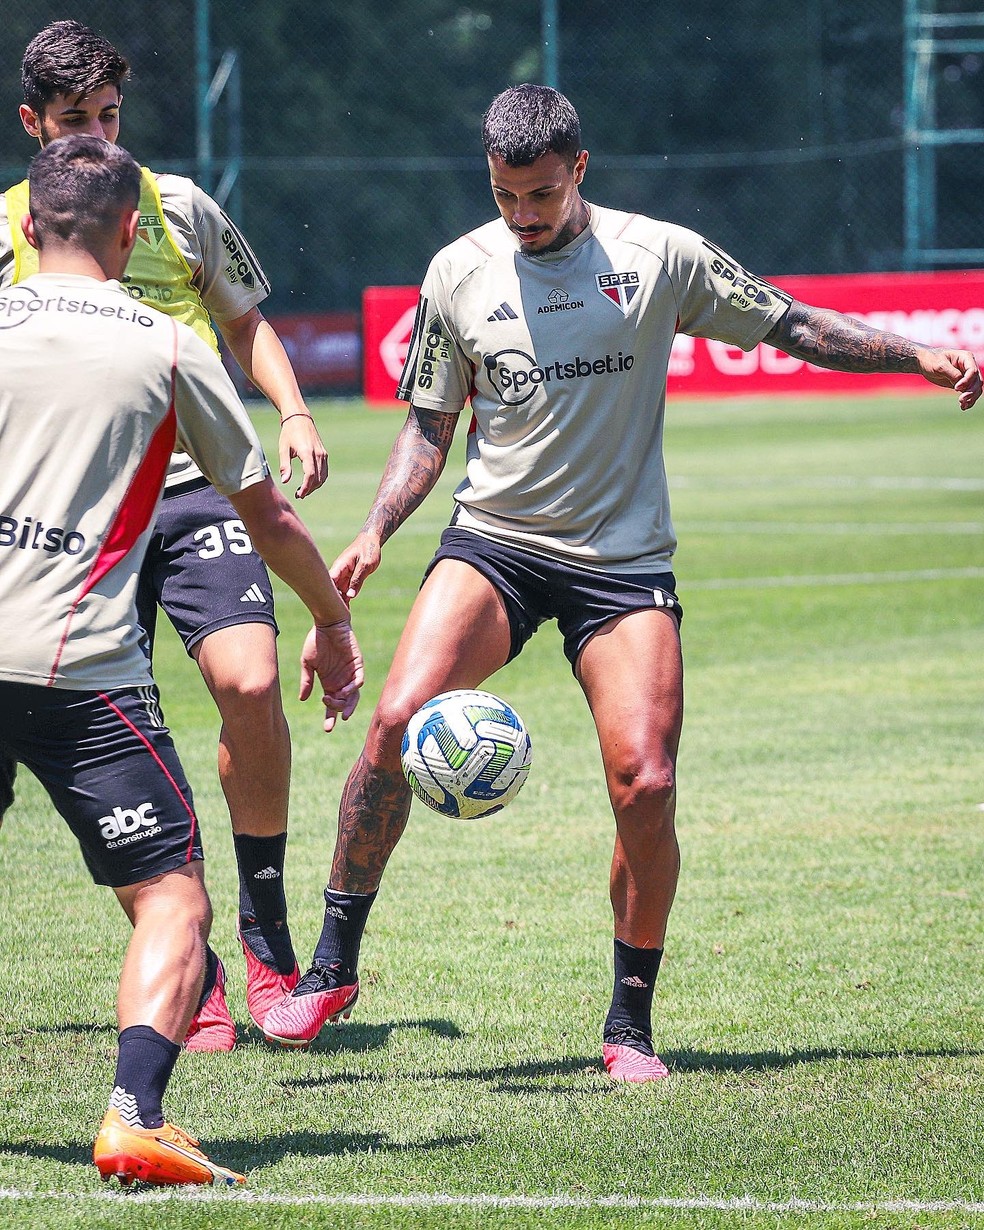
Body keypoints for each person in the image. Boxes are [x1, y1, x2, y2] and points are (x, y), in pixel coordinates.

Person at [262, 84, 981, 1078]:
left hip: (622, 562)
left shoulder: (661, 258)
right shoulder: (458, 274)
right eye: (508, 196)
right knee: (393, 721)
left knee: (646, 781)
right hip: (496, 542)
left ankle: (629, 1025)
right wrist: (379, 527)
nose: (524, 216)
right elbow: (428, 428)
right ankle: (329, 966)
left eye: (543, 197)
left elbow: (794, 326)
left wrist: (919, 355)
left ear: (580, 170)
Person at [0, 134, 362, 1185]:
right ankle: (133, 1117)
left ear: (25, 229)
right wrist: (332, 620)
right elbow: (270, 517)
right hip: (78, 676)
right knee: (172, 899)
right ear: (129, 234)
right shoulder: (165, 345)